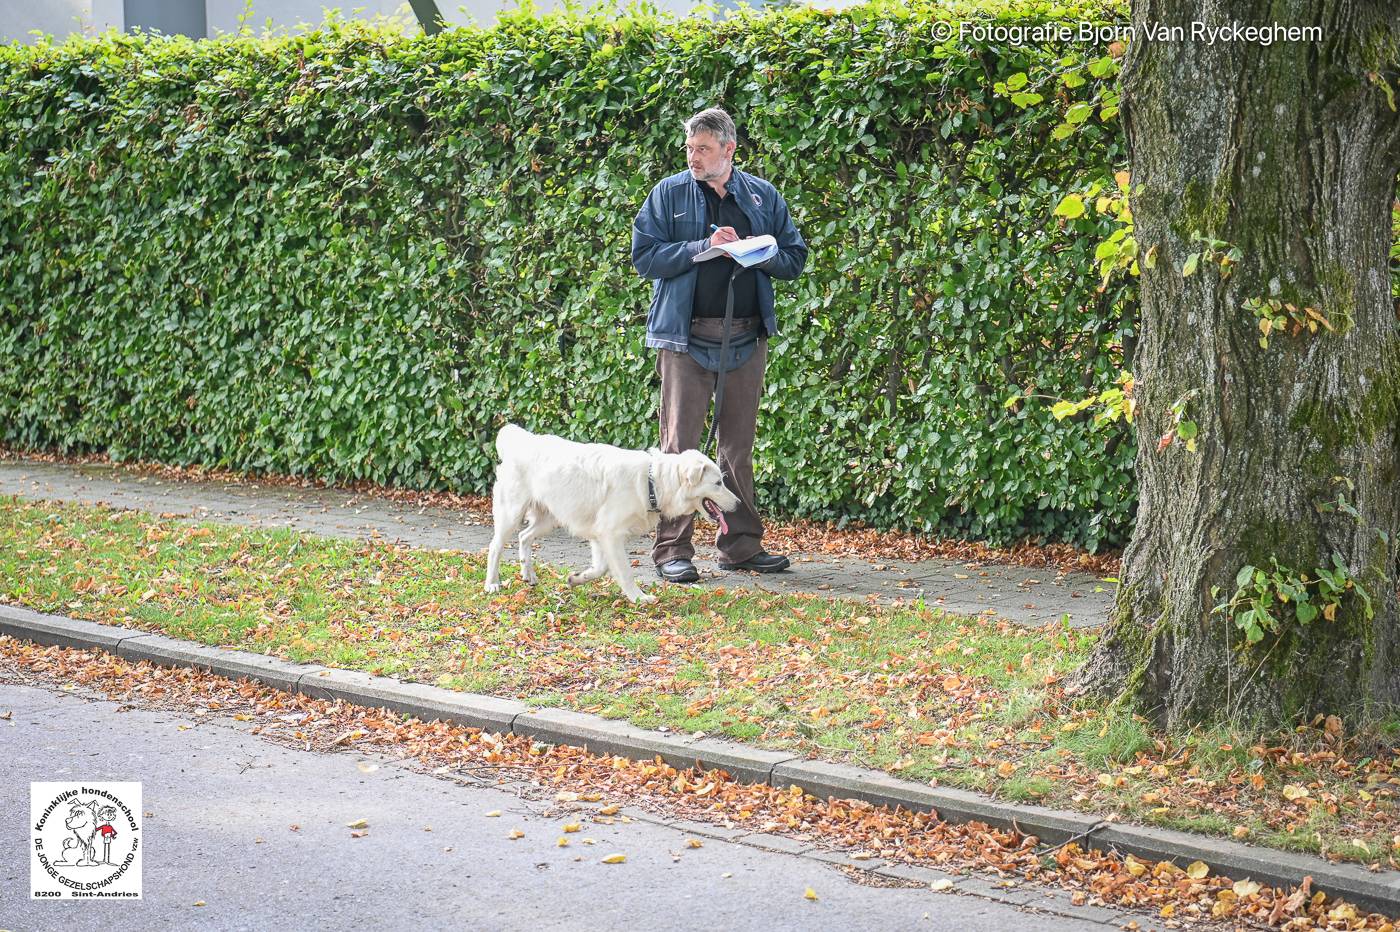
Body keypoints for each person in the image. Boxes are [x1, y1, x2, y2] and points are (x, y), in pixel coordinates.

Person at [631, 107, 808, 584]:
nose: (693, 156)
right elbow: (644, 257)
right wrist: (699, 248)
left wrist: (759, 250)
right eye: (689, 148)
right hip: (685, 340)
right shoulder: (668, 194)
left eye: (703, 148)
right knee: (678, 448)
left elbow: (794, 257)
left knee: (737, 448)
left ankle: (741, 547)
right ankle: (673, 550)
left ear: (729, 150)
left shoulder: (761, 194)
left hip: (746, 337)